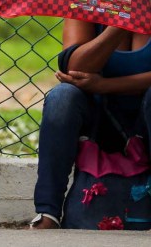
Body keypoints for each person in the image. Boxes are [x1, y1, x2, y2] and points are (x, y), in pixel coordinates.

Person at [30, 20, 151, 229]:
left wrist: (105, 85)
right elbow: (74, 68)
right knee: (62, 97)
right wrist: (121, 21)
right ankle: (48, 213)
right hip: (99, 118)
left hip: (145, 118)